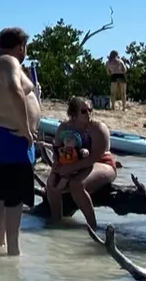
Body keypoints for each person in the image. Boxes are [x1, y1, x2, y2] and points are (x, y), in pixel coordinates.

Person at [0, 27, 41, 256]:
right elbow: (16, 90)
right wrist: (25, 128)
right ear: (20, 46)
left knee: (0, 193)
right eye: (25, 48)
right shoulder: (10, 62)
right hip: (13, 137)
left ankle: (0, 245)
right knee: (14, 199)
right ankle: (14, 252)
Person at [43, 96, 114, 231]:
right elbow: (57, 152)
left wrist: (69, 169)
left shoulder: (98, 128)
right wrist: (56, 169)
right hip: (72, 162)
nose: (88, 114)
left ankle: (92, 226)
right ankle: (55, 224)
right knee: (51, 185)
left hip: (102, 163)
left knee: (76, 184)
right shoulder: (64, 128)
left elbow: (94, 157)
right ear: (73, 114)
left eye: (90, 110)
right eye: (83, 111)